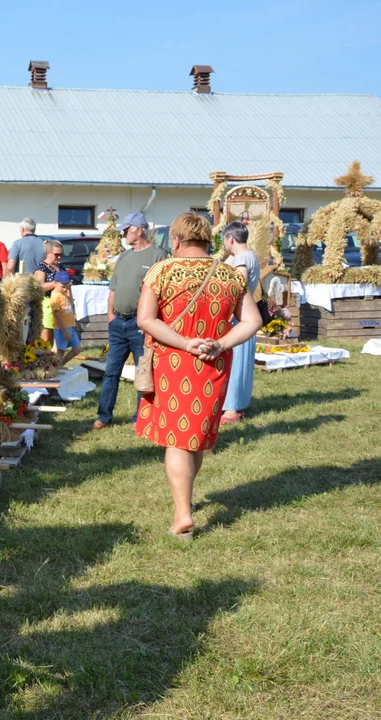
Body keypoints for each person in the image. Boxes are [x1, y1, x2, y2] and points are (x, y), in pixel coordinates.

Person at [135, 212, 262, 540]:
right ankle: (186, 501)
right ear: (210, 240)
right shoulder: (229, 275)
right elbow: (252, 321)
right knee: (196, 436)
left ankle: (182, 514)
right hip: (213, 365)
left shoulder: (162, 270)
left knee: (177, 440)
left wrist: (184, 343)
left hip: (173, 363)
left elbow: (146, 319)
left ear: (175, 240)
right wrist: (219, 344)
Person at [93, 212, 168, 430]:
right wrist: (110, 314)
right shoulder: (125, 256)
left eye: (126, 230)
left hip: (141, 324)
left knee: (143, 372)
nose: (124, 234)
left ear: (139, 230)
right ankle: (103, 416)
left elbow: (163, 293)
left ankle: (140, 418)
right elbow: (113, 288)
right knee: (111, 372)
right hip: (118, 323)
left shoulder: (158, 256)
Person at [220, 221, 260, 425]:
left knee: (235, 363)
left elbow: (237, 287)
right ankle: (234, 404)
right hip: (242, 315)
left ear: (230, 238)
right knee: (239, 362)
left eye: (224, 240)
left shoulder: (243, 259)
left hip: (238, 317)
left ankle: (231, 408)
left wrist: (226, 314)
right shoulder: (244, 255)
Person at [34, 240, 65, 344]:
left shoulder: (61, 267)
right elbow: (39, 287)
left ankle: (54, 359)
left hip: (60, 303)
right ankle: (44, 359)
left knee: (57, 339)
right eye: (56, 255)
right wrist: (56, 284)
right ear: (48, 253)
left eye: (61, 255)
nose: (59, 257)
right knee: (46, 338)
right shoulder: (42, 267)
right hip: (47, 305)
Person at [50, 269, 81, 365]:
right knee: (60, 352)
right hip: (61, 329)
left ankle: (60, 365)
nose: (64, 288)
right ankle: (56, 368)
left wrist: (69, 289)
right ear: (55, 283)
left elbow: (71, 303)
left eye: (66, 286)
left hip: (70, 327)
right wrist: (65, 332)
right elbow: (57, 315)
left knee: (77, 349)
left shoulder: (63, 293)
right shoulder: (55, 296)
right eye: (62, 286)